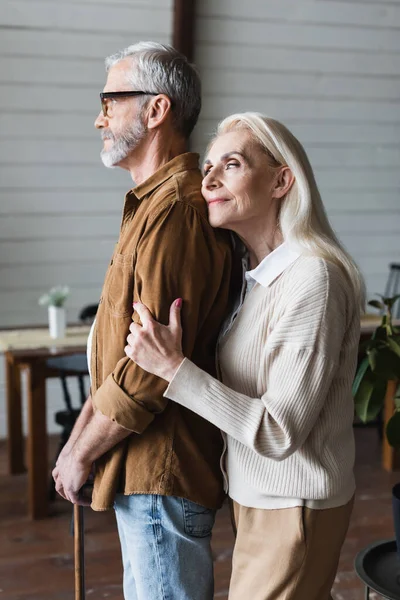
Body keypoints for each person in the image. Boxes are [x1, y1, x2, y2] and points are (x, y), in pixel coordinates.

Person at [124, 112, 365, 600]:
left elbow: (280, 431)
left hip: (294, 503)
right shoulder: (257, 277)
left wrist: (172, 369)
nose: (207, 179)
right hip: (260, 499)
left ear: (281, 181)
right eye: (208, 165)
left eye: (230, 165)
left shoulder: (312, 279)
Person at [52, 42, 234, 600]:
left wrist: (80, 451)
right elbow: (119, 352)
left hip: (163, 471)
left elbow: (152, 369)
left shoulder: (177, 210)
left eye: (111, 99)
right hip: (144, 467)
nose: (99, 116)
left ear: (157, 110)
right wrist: (75, 445)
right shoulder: (152, 206)